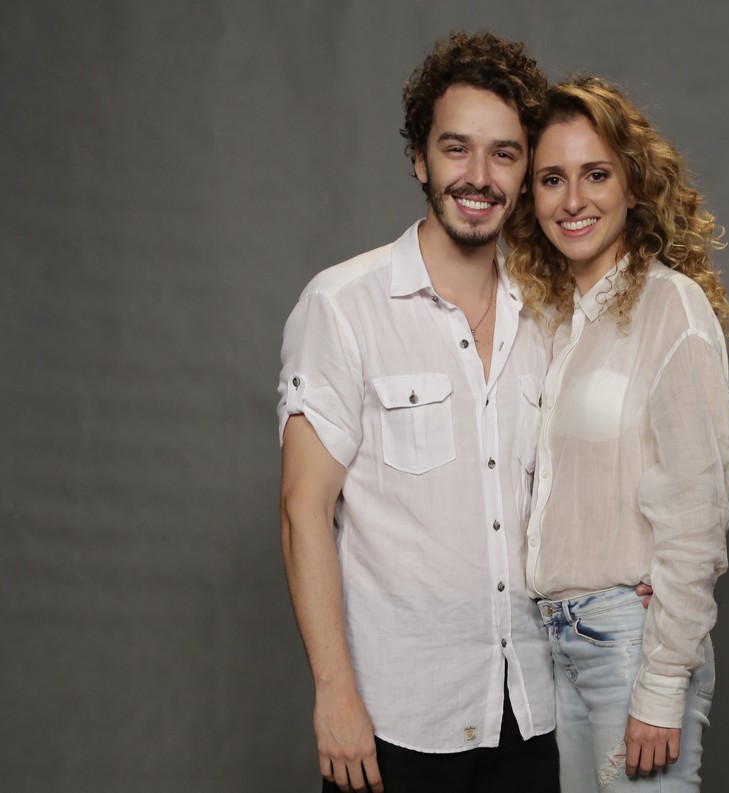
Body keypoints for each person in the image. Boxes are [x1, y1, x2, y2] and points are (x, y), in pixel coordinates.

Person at [277, 33, 560, 793]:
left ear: (526, 167)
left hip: (535, 710)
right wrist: (334, 692)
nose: (478, 176)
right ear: (419, 158)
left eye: (503, 154)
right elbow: (304, 507)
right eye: (456, 148)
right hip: (396, 719)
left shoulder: (551, 314)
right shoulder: (342, 305)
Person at [504, 76, 729, 792]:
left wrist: (663, 681)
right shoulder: (557, 324)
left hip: (630, 649)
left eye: (595, 174)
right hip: (559, 646)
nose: (572, 200)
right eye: (551, 179)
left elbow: (698, 511)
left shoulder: (673, 308)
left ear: (633, 184)